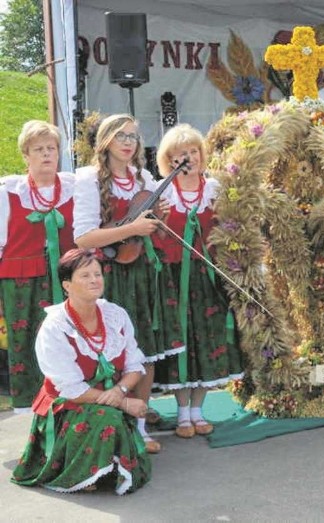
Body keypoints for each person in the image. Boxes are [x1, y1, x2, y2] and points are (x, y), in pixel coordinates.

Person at [11, 249, 151, 494]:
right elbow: (71, 389)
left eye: (97, 273)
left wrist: (121, 390)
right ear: (67, 285)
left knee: (109, 416)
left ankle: (105, 466)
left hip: (108, 400)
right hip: (68, 408)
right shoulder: (55, 327)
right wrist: (125, 403)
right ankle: (79, 470)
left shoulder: (115, 315)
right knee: (110, 418)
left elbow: (134, 365)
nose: (95, 280)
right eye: (85, 276)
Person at [73, 114, 169, 453]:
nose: (129, 142)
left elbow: (148, 227)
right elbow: (83, 238)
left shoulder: (143, 177)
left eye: (133, 136)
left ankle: (140, 428)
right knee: (108, 351)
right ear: (105, 142)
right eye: (120, 136)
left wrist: (159, 220)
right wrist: (131, 229)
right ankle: (110, 426)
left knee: (143, 350)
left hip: (141, 271)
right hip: (107, 275)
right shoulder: (87, 178)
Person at [154, 124, 243, 439]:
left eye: (193, 152)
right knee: (181, 341)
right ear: (169, 160)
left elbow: (227, 230)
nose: (188, 158)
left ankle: (198, 411)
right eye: (181, 154)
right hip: (175, 278)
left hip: (206, 277)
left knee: (207, 339)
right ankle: (181, 414)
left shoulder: (214, 188)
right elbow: (157, 236)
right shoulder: (161, 190)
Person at [0, 120, 76, 412]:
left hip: (67, 277)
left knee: (72, 341)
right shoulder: (9, 191)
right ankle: (36, 412)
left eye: (52, 148)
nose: (46, 154)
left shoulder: (73, 186)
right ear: (26, 156)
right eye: (39, 149)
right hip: (22, 282)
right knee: (28, 342)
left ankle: (75, 406)